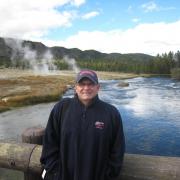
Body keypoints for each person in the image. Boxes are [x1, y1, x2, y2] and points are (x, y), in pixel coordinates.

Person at [40, 69, 125, 180]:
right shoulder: (61, 108)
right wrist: (56, 173)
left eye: (91, 84)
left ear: (98, 87)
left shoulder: (112, 113)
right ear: (76, 87)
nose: (86, 88)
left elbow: (117, 150)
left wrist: (108, 175)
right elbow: (49, 144)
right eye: (82, 84)